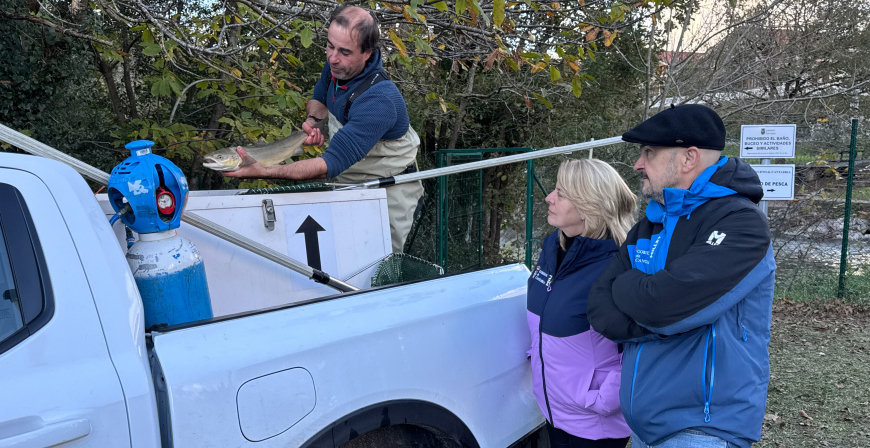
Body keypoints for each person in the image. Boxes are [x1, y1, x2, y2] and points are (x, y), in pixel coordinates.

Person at [586, 105, 776, 448]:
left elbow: (662, 305)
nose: (638, 164)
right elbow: (600, 307)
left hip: (703, 429)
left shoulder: (741, 224)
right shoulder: (651, 222)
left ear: (689, 158)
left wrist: (637, 294)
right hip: (644, 426)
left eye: (649, 152)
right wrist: (662, 316)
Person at [224, 5, 424, 253]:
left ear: (368, 53)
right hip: (349, 182)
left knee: (383, 263)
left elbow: (327, 166)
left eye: (344, 51)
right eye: (330, 46)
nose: (332, 58)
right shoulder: (335, 69)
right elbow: (319, 98)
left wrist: (264, 169)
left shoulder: (379, 99)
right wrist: (312, 121)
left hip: (390, 191)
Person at [527, 159, 636, 448]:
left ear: (590, 205)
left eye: (561, 193)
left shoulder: (620, 266)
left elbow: (641, 345)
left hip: (595, 425)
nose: (549, 197)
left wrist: (603, 399)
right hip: (554, 410)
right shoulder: (554, 247)